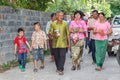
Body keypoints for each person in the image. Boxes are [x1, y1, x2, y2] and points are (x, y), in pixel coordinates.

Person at [48, 11, 70, 75]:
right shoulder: (53, 24)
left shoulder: (65, 23)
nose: (61, 17)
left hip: (63, 43)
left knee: (62, 56)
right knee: (56, 57)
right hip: (55, 44)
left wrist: (69, 44)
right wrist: (53, 35)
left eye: (62, 15)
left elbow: (68, 34)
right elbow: (49, 34)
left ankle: (61, 69)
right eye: (59, 15)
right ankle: (58, 68)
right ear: (56, 16)